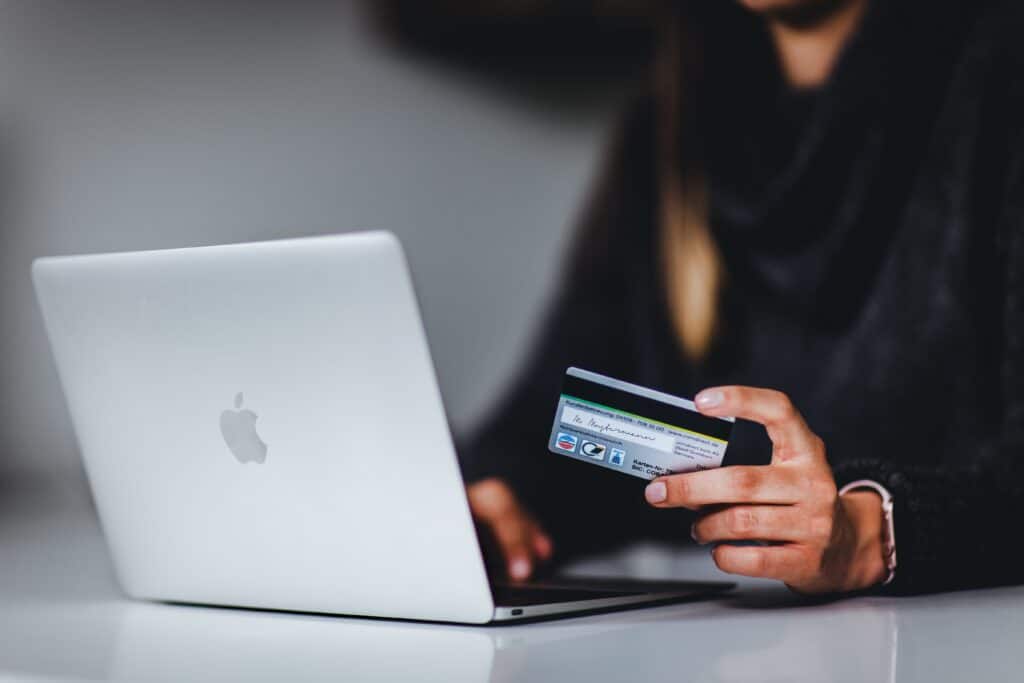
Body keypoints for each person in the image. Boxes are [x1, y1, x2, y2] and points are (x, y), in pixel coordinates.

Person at [459, 0, 1024, 595]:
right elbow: (550, 419)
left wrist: (871, 532)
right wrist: (504, 504)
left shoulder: (1001, 79)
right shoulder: (671, 124)